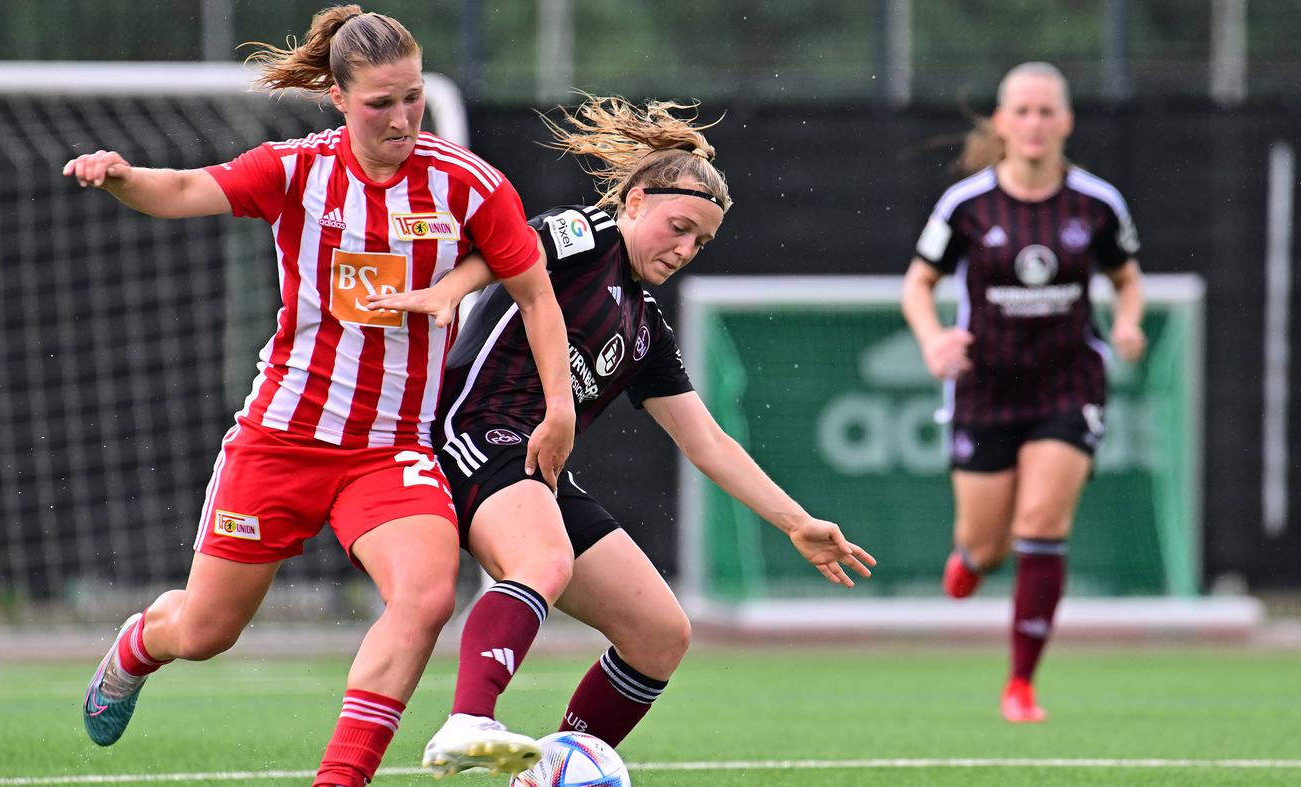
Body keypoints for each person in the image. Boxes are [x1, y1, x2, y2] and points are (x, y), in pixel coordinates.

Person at [64, 7, 576, 785]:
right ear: (338, 98)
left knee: (426, 595)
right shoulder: (296, 170)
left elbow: (535, 293)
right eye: (380, 103)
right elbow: (186, 188)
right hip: (281, 439)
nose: (402, 119)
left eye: (413, 97)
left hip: (390, 450)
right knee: (204, 631)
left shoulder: (467, 183)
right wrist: (124, 178)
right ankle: (137, 644)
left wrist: (559, 406)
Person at [364, 95, 875, 776]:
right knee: (542, 560)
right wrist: (450, 289)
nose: (685, 249)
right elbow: (512, 249)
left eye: (700, 242)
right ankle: (468, 721)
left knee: (660, 633)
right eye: (679, 227)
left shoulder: (645, 325)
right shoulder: (590, 232)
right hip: (472, 433)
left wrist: (796, 522)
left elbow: (706, 441)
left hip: (539, 469)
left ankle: (552, 769)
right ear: (635, 201)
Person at [900, 62, 1145, 723]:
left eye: (1046, 111)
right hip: (985, 388)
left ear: (1066, 121)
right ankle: (973, 558)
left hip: (1069, 383)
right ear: (1002, 123)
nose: (1035, 123)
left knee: (1041, 523)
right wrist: (934, 341)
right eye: (1023, 111)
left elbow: (1126, 277)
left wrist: (1127, 322)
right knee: (988, 543)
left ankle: (1021, 684)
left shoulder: (1097, 203)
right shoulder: (966, 206)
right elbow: (918, 284)